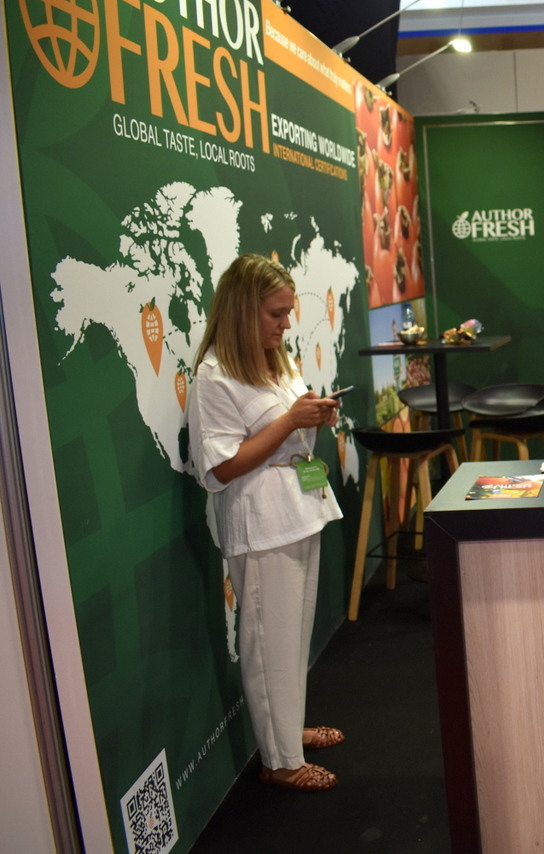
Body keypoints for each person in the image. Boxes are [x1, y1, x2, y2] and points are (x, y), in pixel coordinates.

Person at [188, 254, 346, 792]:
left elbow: (287, 434)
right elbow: (221, 467)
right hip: (259, 524)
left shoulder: (274, 360)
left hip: (299, 511)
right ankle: (279, 761)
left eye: (288, 312)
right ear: (241, 311)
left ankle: (288, 733)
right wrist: (289, 421)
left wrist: (313, 415)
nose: (286, 324)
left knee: (291, 639)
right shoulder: (214, 377)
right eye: (275, 314)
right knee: (267, 642)